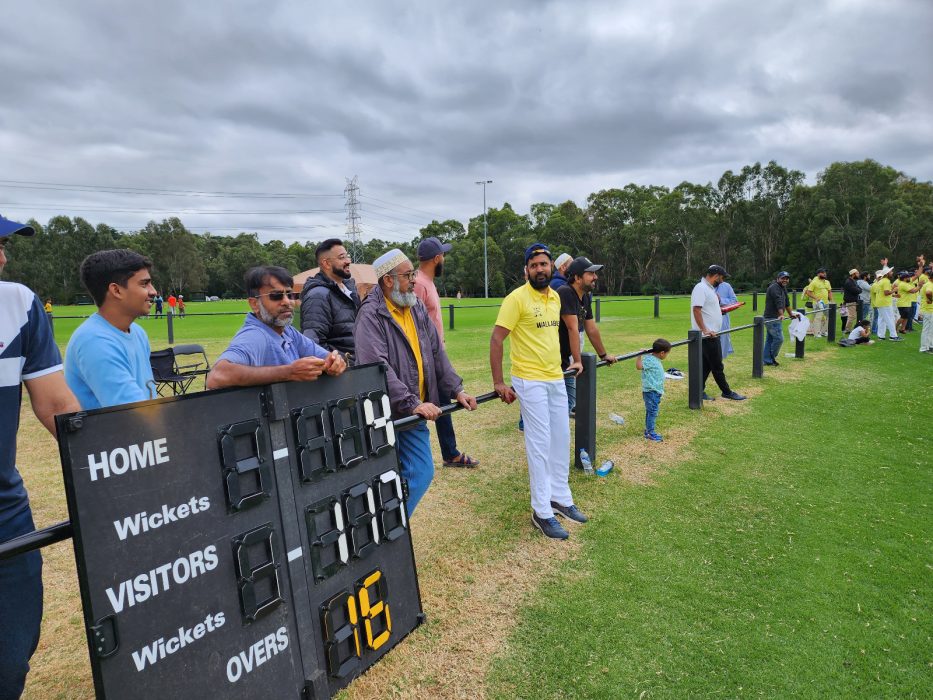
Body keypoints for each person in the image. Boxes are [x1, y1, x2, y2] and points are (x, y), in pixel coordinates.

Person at [1, 215, 82, 699]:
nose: (3, 258)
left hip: (5, 509)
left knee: (11, 655)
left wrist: (119, 471)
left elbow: (56, 405)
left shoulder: (17, 303)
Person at [355, 249, 476, 515]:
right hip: (388, 414)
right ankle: (388, 534)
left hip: (412, 412)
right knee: (392, 477)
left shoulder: (415, 305)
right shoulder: (371, 315)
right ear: (388, 280)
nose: (413, 280)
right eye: (408, 275)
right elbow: (377, 368)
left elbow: (436, 353)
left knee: (419, 472)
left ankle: (391, 530)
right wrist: (412, 403)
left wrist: (457, 389)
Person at [490, 242, 588, 540]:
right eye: (534, 266)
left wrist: (575, 360)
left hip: (555, 376)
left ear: (551, 267)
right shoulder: (515, 299)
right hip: (528, 380)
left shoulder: (557, 297)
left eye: (544, 264)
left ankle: (560, 498)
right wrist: (498, 382)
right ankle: (541, 510)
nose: (540, 270)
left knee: (561, 438)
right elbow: (496, 340)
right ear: (526, 271)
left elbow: (564, 332)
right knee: (540, 442)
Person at [207, 266, 346, 389]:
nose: (287, 302)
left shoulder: (287, 331)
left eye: (290, 294)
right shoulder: (255, 335)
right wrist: (288, 372)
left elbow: (326, 358)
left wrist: (335, 362)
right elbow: (217, 376)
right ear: (254, 304)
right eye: (276, 296)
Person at [414, 236, 479, 468]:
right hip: (426, 357)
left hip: (436, 354)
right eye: (444, 256)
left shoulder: (427, 281)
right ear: (437, 258)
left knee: (442, 401)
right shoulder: (419, 284)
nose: (445, 260)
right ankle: (448, 453)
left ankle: (450, 453)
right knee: (429, 403)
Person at [65, 250, 158, 409]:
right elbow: (133, 412)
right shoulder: (95, 342)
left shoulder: (137, 332)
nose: (153, 291)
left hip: (141, 431)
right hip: (114, 432)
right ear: (116, 290)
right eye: (144, 284)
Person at [557, 256, 616, 416]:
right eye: (590, 273)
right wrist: (577, 361)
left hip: (563, 358)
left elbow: (591, 328)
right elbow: (572, 328)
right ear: (577, 278)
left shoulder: (584, 296)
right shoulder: (565, 292)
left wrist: (603, 355)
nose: (595, 277)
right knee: (556, 400)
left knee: (566, 402)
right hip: (551, 358)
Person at [300, 238, 361, 363]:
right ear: (326, 263)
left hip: (360, 369)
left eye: (347, 256)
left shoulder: (349, 290)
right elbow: (313, 344)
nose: (348, 261)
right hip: (343, 375)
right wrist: (341, 364)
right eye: (342, 257)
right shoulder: (318, 296)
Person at [690, 265, 746, 401]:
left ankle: (699, 391)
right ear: (716, 275)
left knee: (707, 365)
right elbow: (696, 310)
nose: (723, 279)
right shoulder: (701, 288)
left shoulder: (708, 289)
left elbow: (708, 310)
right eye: (722, 276)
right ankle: (726, 392)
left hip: (712, 334)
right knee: (717, 365)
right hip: (708, 335)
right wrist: (705, 330)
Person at [636, 338, 671, 442]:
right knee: (652, 412)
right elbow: (639, 367)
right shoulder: (650, 360)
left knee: (650, 411)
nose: (666, 356)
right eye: (667, 354)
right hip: (651, 392)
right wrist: (639, 355)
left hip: (655, 391)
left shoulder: (653, 359)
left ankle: (648, 431)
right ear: (662, 353)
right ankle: (650, 433)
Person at [762, 271, 799, 366]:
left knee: (770, 339)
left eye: (787, 278)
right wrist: (782, 314)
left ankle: (766, 360)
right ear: (778, 278)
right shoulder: (774, 287)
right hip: (771, 318)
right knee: (779, 338)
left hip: (775, 317)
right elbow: (778, 301)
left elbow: (786, 302)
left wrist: (791, 314)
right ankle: (770, 359)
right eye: (783, 278)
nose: (785, 280)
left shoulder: (783, 288)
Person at [870, 266, 900, 341]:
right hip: (885, 303)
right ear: (887, 273)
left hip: (880, 302)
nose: (892, 273)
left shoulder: (881, 281)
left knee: (882, 319)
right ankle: (893, 336)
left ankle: (881, 336)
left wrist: (893, 294)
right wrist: (894, 290)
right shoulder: (886, 281)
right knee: (890, 318)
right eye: (891, 272)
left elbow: (882, 293)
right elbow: (886, 293)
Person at [804, 267, 833, 337]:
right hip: (817, 303)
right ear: (818, 274)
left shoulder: (827, 282)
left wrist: (832, 301)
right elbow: (808, 292)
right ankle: (816, 333)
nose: (825, 274)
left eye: (825, 272)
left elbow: (829, 292)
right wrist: (816, 298)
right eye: (823, 273)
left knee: (829, 317)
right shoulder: (814, 282)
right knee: (818, 318)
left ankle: (823, 331)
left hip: (826, 303)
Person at [715, 278, 739, 356]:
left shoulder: (727, 286)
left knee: (723, 341)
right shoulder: (705, 287)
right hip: (708, 319)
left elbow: (734, 301)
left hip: (723, 318)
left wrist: (720, 300)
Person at [920, 271, 933, 353]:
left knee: (930, 329)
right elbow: (928, 292)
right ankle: (924, 348)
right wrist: (931, 299)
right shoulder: (930, 284)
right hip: (929, 310)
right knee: (927, 330)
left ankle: (930, 346)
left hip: (929, 309)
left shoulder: (928, 284)